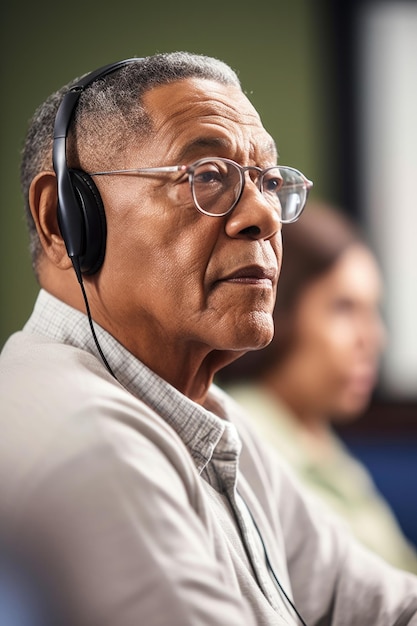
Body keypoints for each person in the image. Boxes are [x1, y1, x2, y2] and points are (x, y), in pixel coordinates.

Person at [0, 52, 416, 626]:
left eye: (269, 182)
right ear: (63, 219)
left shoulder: (210, 415)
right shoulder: (88, 440)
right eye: (207, 177)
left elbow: (380, 605)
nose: (264, 217)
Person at [217, 201, 417, 574]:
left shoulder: (315, 436)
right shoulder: (244, 438)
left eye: (373, 311)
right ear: (278, 308)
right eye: (344, 308)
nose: (374, 338)